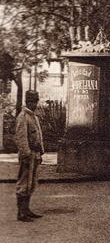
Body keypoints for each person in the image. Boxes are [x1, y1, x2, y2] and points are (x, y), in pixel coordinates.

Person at [15, 89, 44, 222]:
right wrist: (25, 154)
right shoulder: (23, 117)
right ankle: (21, 212)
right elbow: (21, 138)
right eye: (32, 101)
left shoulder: (33, 116)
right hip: (28, 155)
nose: (34, 104)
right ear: (27, 102)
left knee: (31, 183)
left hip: (35, 154)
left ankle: (26, 209)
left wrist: (41, 152)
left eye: (36, 101)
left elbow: (38, 136)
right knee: (24, 183)